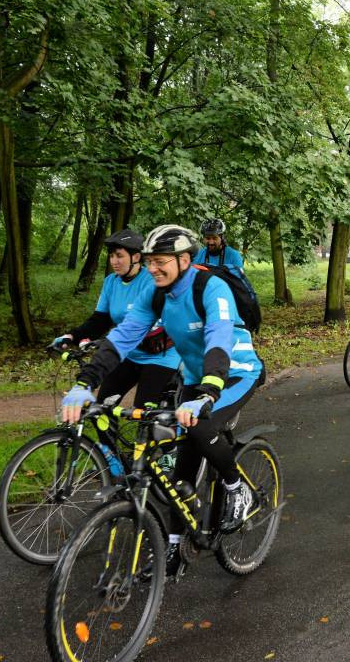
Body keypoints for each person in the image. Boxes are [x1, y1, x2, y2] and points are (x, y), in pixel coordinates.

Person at [60, 225, 265, 574]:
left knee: (199, 423)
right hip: (194, 378)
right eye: (150, 261)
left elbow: (218, 339)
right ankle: (174, 547)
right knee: (181, 471)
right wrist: (85, 383)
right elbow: (122, 337)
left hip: (235, 373)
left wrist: (208, 392)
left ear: (184, 260)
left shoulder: (210, 288)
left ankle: (237, 487)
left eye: (161, 262)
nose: (153, 268)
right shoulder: (157, 294)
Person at [51, 229, 180, 408]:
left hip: (159, 357)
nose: (114, 261)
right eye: (111, 256)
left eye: (119, 256)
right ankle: (106, 438)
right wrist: (72, 336)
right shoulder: (111, 281)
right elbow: (100, 319)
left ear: (135, 257)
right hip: (128, 353)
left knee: (144, 413)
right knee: (102, 406)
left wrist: (108, 342)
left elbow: (155, 327)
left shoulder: (151, 282)